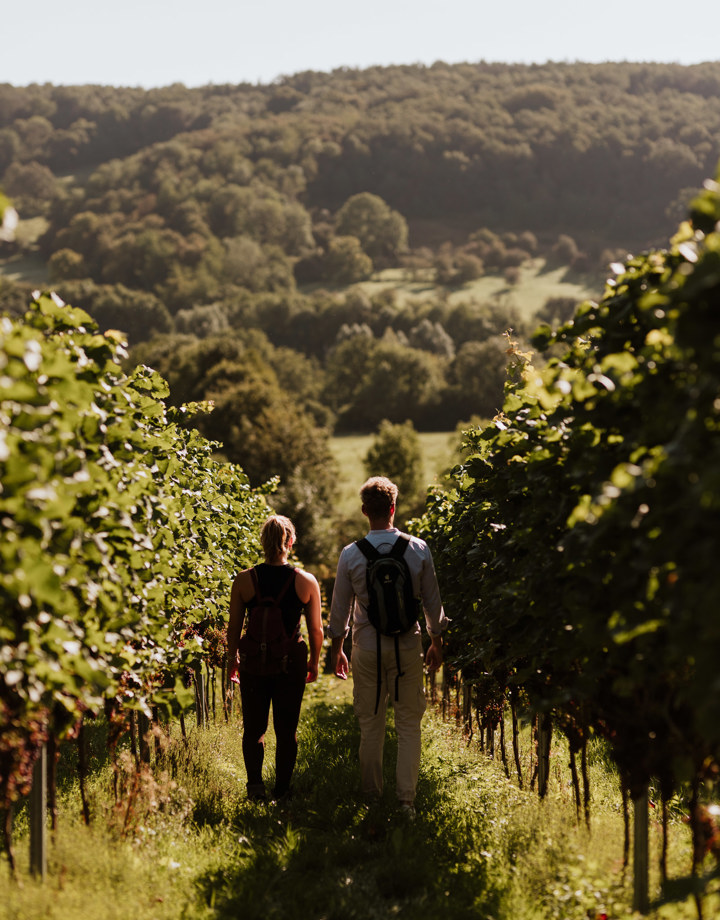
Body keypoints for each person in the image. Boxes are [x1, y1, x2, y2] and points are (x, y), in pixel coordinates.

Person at [328, 476, 448, 814]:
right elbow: (433, 603)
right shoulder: (418, 548)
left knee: (371, 723)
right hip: (407, 645)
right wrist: (436, 641)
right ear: (394, 508)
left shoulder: (351, 554)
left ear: (365, 511)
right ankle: (406, 802)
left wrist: (338, 650)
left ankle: (370, 797)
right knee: (409, 724)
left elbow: (339, 611)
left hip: (366, 647)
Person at [227, 514, 324, 801]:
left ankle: (255, 788)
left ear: (263, 542)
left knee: (254, 727)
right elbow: (316, 630)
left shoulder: (245, 580)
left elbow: (234, 628)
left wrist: (233, 659)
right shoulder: (305, 581)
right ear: (290, 542)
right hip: (290, 662)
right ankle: (282, 790)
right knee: (286, 728)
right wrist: (315, 662)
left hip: (254, 661)